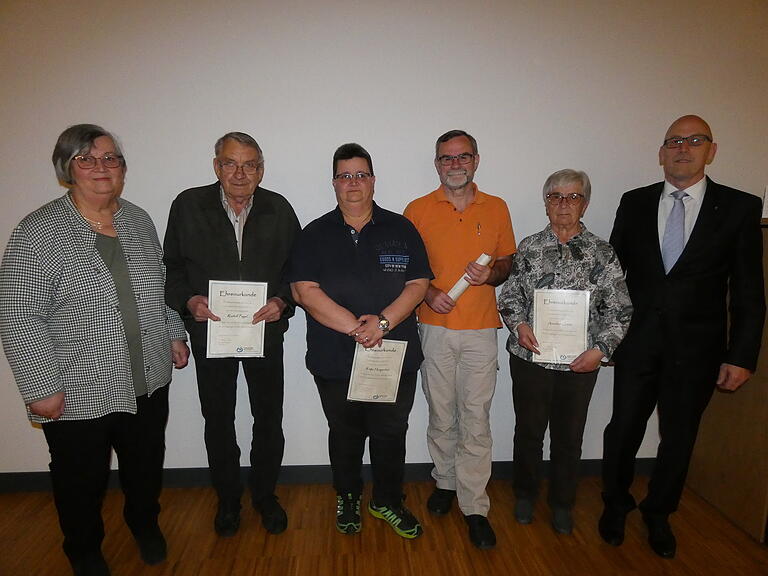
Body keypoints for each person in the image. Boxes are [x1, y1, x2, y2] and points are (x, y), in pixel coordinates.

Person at [0, 124, 190, 576]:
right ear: (67, 169)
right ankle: (83, 549)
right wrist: (39, 386)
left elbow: (156, 290)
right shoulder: (38, 231)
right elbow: (18, 315)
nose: (101, 168)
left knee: (145, 469)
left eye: (110, 158)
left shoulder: (138, 220)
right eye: (87, 159)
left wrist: (173, 331)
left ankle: (144, 525)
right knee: (79, 479)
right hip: (77, 388)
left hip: (148, 377)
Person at [600, 115, 765, 558]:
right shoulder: (634, 202)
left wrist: (742, 355)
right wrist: (606, 335)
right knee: (622, 430)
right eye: (674, 141)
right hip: (637, 343)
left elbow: (749, 290)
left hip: (697, 350)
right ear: (661, 153)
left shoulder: (740, 207)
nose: (682, 149)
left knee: (679, 436)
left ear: (710, 150)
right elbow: (614, 276)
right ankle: (615, 504)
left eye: (694, 141)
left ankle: (659, 513)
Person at [289, 143, 432, 539]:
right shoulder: (314, 233)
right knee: (345, 433)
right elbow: (304, 290)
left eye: (361, 174)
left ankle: (387, 499)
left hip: (392, 355)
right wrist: (356, 328)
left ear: (373, 180)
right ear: (334, 182)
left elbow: (419, 283)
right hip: (336, 357)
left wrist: (382, 324)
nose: (353, 183)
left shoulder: (401, 228)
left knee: (390, 432)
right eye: (344, 175)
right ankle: (348, 495)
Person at [163, 132, 300, 537]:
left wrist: (282, 302)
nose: (240, 173)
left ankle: (264, 496)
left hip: (265, 334)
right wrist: (189, 302)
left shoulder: (278, 208)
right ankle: (227, 500)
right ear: (216, 166)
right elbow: (169, 269)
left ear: (261, 168)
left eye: (250, 164)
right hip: (211, 335)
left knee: (268, 419)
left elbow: (298, 272)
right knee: (218, 420)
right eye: (230, 163)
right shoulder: (188, 205)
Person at [498, 169, 632, 535]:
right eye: (555, 196)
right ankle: (525, 493)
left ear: (584, 204)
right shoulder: (528, 247)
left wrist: (601, 350)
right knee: (528, 431)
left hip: (580, 363)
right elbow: (509, 296)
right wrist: (520, 325)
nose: (563, 204)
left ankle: (562, 502)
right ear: (546, 204)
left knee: (569, 437)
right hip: (531, 358)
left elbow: (619, 309)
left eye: (572, 197)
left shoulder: (602, 253)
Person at [404, 130, 516, 549]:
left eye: (462, 157)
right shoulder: (416, 210)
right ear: (437, 164)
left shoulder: (497, 207)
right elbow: (405, 269)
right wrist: (429, 292)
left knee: (476, 417)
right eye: (446, 159)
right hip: (432, 327)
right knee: (440, 411)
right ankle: (445, 482)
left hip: (481, 329)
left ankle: (475, 505)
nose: (455, 165)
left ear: (476, 160)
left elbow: (507, 261)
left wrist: (492, 274)